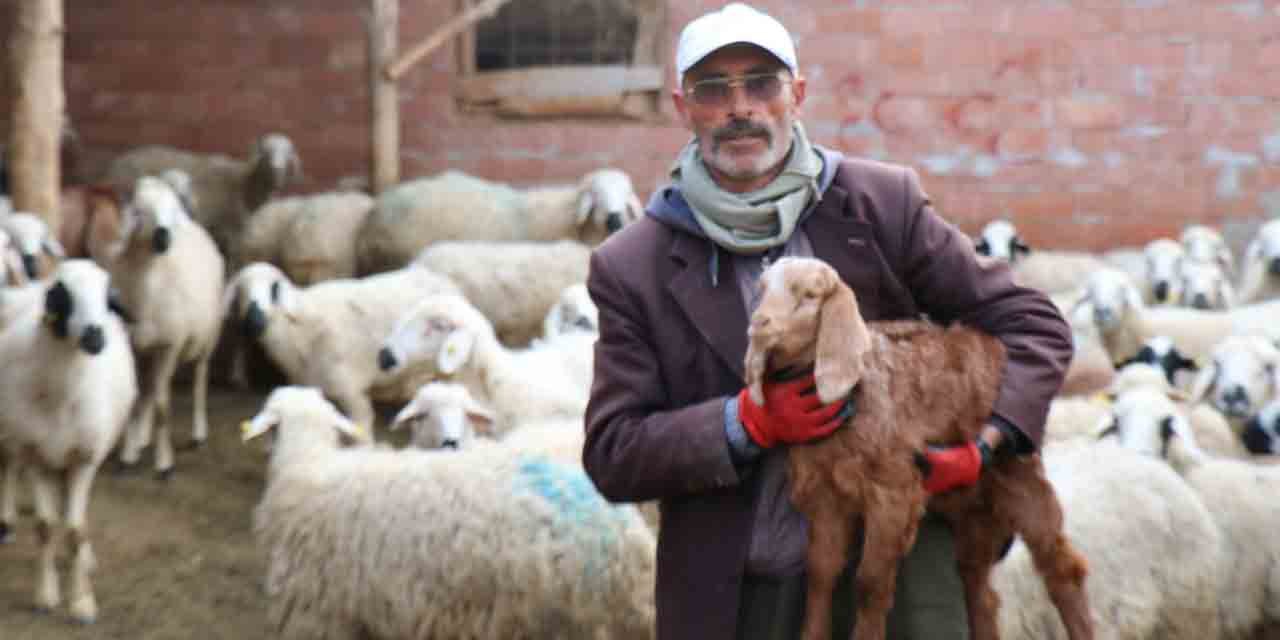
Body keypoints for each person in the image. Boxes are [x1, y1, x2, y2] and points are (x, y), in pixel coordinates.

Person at [581, 4, 1073, 639]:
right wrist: (742, 423)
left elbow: (1034, 324)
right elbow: (613, 451)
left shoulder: (878, 205)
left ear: (797, 94)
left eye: (762, 84)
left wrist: (988, 444)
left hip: (897, 572)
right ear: (683, 106)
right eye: (713, 89)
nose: (740, 108)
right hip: (746, 586)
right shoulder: (634, 264)